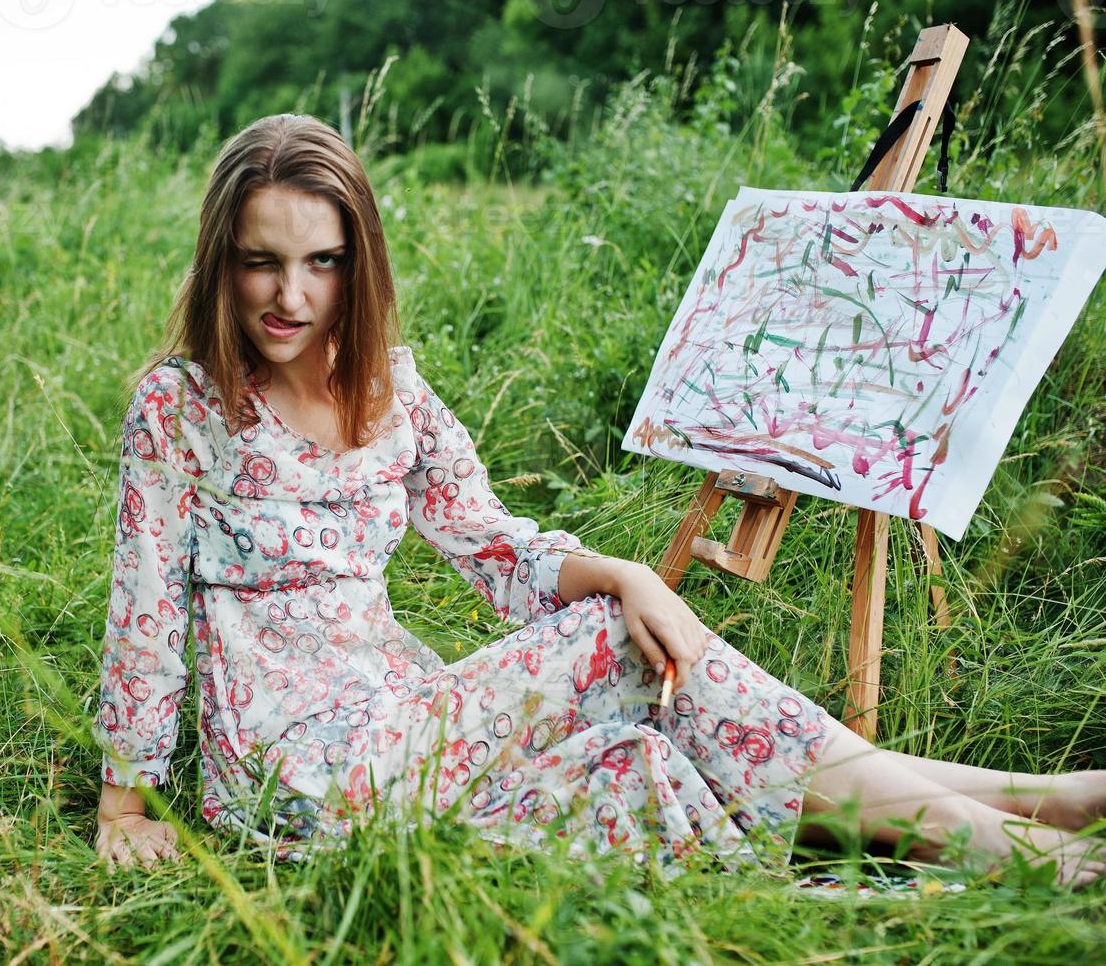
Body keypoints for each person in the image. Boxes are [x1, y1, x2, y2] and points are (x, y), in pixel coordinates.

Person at [93, 113, 1106, 887]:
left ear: (358, 265)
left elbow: (495, 550)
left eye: (322, 261)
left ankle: (1011, 806)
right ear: (221, 261)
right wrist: (125, 799)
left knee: (642, 744)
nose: (292, 295)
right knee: (616, 641)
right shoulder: (181, 406)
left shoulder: (388, 392)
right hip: (292, 773)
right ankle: (1023, 838)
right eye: (260, 260)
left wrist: (622, 573)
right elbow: (142, 617)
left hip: (399, 721)